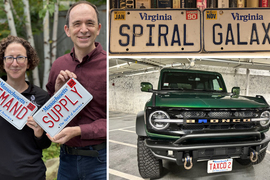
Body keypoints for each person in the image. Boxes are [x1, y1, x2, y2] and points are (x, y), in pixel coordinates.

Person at [46, 1, 106, 180]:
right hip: (66, 160)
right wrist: (57, 94)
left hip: (101, 162)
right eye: (77, 24)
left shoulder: (107, 66)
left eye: (90, 23)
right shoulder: (58, 66)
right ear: (67, 30)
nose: (84, 29)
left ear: (98, 28)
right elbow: (51, 117)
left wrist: (79, 130)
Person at [0, 35, 51, 179]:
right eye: (9, 58)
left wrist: (39, 132)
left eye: (20, 57)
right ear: (3, 63)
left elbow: (45, 144)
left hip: (31, 174)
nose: (14, 63)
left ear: (28, 63)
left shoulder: (42, 97)